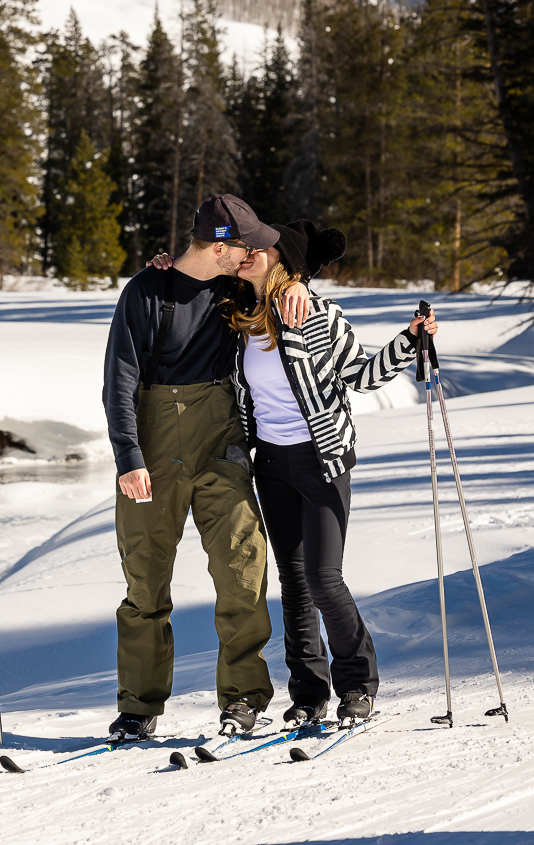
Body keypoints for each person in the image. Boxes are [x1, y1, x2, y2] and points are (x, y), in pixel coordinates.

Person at [102, 194, 310, 739]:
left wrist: (298, 282)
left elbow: (300, 245)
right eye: (242, 247)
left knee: (242, 568)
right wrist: (129, 458)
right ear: (219, 247)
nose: (251, 256)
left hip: (220, 442)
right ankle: (139, 706)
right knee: (146, 582)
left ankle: (243, 698)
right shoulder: (146, 291)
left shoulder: (236, 287)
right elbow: (119, 381)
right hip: (152, 448)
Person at [228, 219, 438, 724]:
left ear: (285, 261)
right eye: (244, 247)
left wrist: (408, 341)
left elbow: (361, 376)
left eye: (260, 247)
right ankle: (307, 694)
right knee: (294, 584)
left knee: (324, 580)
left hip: (321, 459)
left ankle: (358, 684)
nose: (247, 252)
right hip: (271, 463)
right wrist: (163, 265)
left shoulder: (320, 314)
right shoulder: (237, 314)